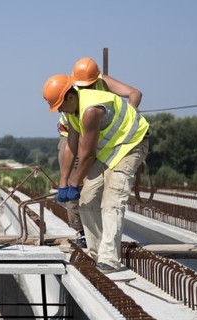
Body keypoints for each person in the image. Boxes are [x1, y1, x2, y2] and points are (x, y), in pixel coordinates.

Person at [43, 74, 149, 274]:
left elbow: (88, 155)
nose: (58, 110)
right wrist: (63, 182)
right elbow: (71, 146)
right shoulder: (71, 112)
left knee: (112, 201)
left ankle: (109, 260)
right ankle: (97, 253)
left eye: (59, 104)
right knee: (87, 198)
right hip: (109, 150)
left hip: (130, 146)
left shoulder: (91, 109)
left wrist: (74, 184)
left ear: (71, 97)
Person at [56, 57, 144, 248]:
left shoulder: (101, 84)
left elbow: (134, 93)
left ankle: (104, 242)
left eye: (89, 85)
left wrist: (129, 115)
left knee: (99, 190)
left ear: (96, 79)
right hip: (74, 132)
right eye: (81, 85)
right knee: (76, 180)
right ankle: (81, 231)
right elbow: (73, 146)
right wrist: (66, 182)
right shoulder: (71, 95)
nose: (85, 88)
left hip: (102, 138)